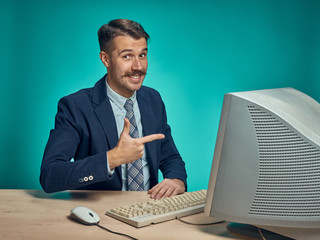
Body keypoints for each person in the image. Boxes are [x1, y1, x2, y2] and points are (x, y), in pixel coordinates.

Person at [40, 19, 187, 199]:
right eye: (127, 56)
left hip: (151, 207)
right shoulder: (75, 107)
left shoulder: (153, 99)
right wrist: (113, 158)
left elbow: (170, 156)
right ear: (106, 59)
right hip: (102, 214)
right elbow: (50, 175)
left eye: (142, 55)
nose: (138, 67)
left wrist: (177, 179)